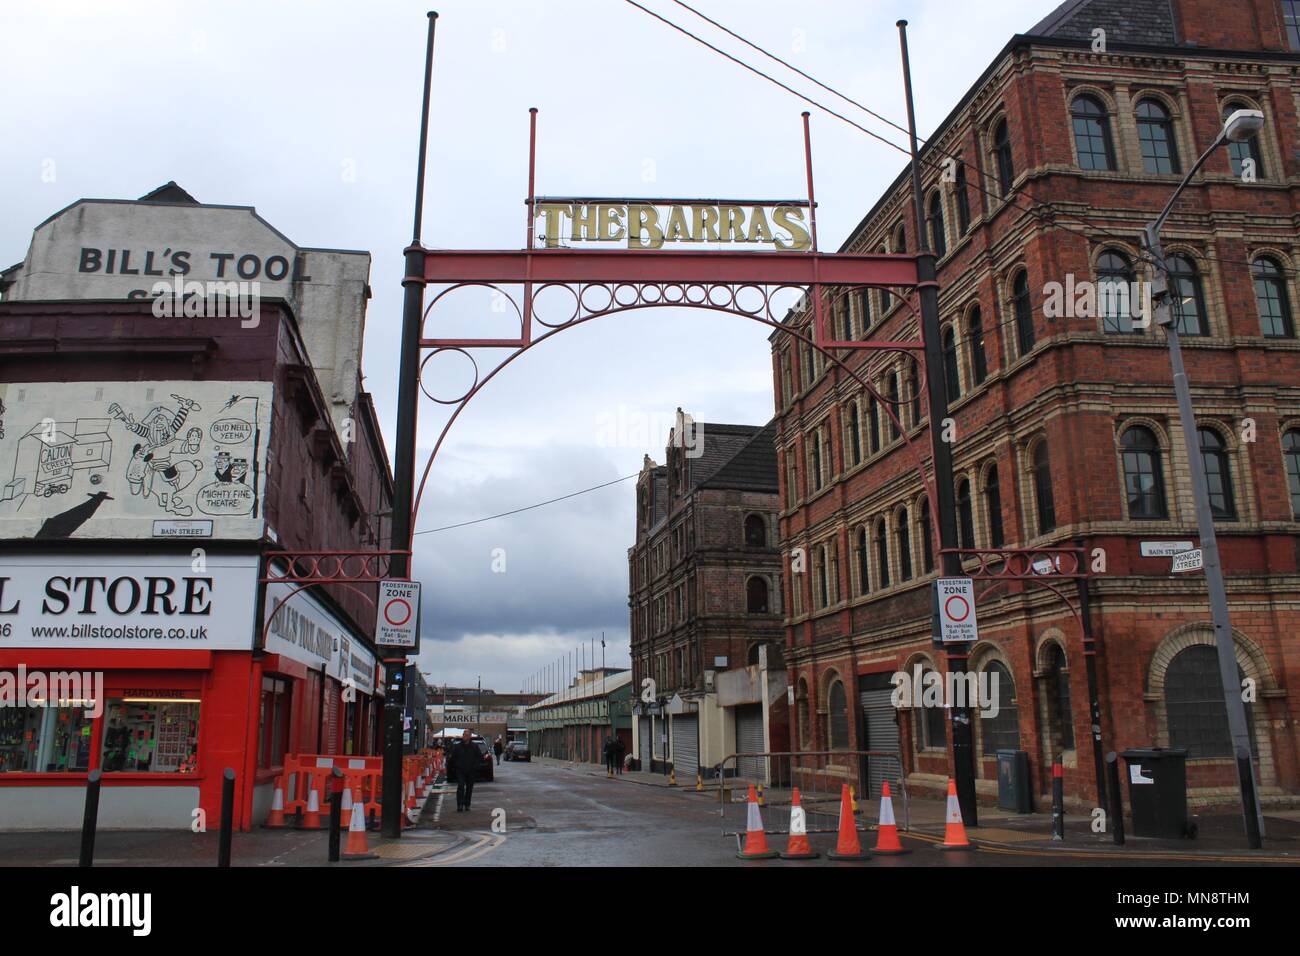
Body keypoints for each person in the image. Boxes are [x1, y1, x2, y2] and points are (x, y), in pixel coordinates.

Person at [448, 729, 480, 812]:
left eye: (467, 735)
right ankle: (459, 804)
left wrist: (475, 766)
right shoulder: (457, 746)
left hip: (471, 770)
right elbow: (453, 758)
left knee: (469, 788)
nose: (465, 737)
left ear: (470, 737)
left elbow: (479, 757)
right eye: (464, 735)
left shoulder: (474, 746)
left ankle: (467, 804)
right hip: (460, 770)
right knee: (461, 786)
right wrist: (453, 767)